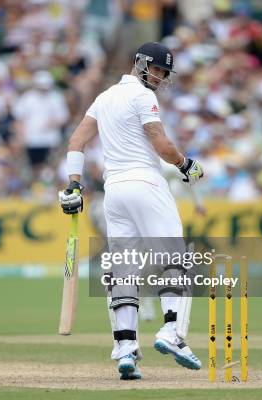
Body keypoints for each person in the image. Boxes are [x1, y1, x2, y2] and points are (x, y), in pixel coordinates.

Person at [58, 42, 204, 380]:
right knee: (175, 259)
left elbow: (76, 141)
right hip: (146, 184)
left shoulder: (104, 98)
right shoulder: (142, 96)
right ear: (139, 64)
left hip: (115, 193)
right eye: (157, 70)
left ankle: (126, 349)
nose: (160, 77)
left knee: (124, 270)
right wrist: (187, 165)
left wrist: (74, 185)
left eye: (164, 73)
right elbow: (161, 143)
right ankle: (172, 333)